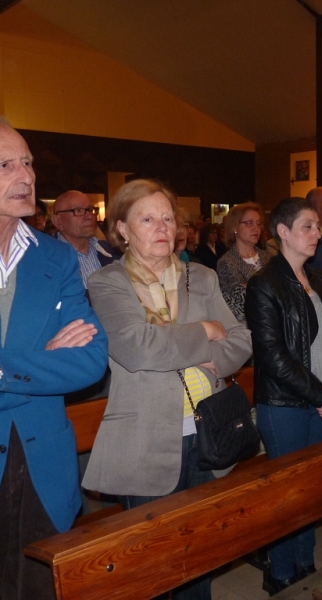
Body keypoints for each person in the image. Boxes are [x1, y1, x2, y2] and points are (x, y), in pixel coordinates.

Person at [82, 179, 252, 600]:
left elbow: (242, 340)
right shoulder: (108, 283)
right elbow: (137, 348)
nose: (163, 227)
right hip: (144, 441)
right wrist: (204, 333)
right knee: (153, 569)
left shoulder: (201, 277)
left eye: (168, 217)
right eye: (147, 218)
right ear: (122, 229)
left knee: (200, 562)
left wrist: (212, 351)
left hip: (207, 433)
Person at [0, 121, 107, 599]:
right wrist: (39, 361)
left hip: (40, 458)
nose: (25, 175)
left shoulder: (54, 258)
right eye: (6, 164)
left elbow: (90, 360)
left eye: (27, 161)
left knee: (37, 588)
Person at [245, 197, 322, 595]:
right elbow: (273, 356)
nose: (314, 233)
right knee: (287, 496)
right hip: (286, 406)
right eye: (306, 226)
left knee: (312, 491)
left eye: (315, 226)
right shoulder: (264, 284)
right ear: (283, 232)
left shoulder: (321, 280)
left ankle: (305, 563)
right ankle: (281, 570)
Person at [217, 202, 271, 324]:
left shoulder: (269, 257)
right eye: (249, 223)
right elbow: (241, 299)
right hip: (245, 330)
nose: (256, 228)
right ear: (235, 227)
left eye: (258, 223)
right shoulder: (226, 262)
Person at [52, 190, 116, 288]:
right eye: (78, 211)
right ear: (58, 222)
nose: (89, 216)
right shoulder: (48, 258)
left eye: (90, 210)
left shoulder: (111, 251)